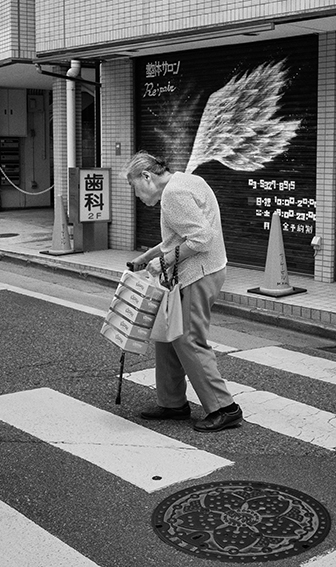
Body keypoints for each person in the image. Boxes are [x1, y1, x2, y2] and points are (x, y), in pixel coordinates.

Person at [124, 150, 243, 433]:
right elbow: (178, 238)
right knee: (168, 336)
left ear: (147, 176)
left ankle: (225, 409)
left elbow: (201, 238)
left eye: (134, 187)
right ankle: (173, 402)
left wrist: (161, 261)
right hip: (203, 270)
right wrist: (146, 257)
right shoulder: (186, 181)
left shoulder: (173, 195)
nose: (137, 196)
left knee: (189, 339)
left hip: (198, 275)